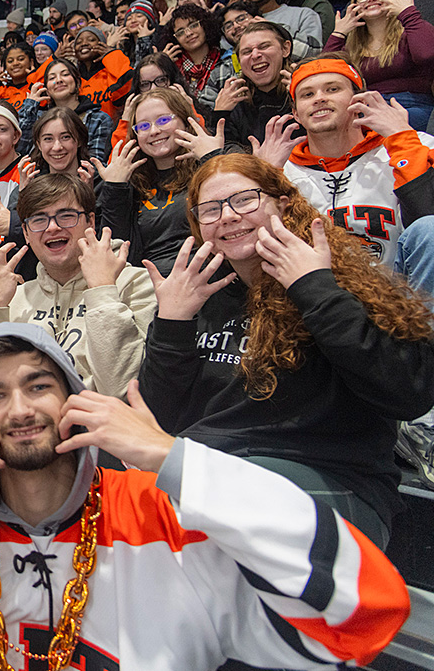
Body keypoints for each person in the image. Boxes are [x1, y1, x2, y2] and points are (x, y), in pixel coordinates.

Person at [0, 322, 410, 670]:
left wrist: (171, 458)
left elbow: (360, 607)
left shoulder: (165, 512)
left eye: (39, 385)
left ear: (77, 401)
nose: (22, 410)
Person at [142, 151, 434, 548]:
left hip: (326, 480)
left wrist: (314, 287)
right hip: (208, 474)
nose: (227, 216)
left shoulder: (337, 281)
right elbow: (157, 418)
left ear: (282, 203)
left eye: (244, 200)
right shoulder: (196, 296)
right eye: (209, 210)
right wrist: (172, 325)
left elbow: (407, 392)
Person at [0, 173, 155, 398]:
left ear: (91, 223)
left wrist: (102, 290)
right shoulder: (14, 299)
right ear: (26, 233)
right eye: (39, 219)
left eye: (66, 216)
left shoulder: (136, 284)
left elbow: (120, 390)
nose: (53, 227)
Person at [263, 56, 434, 266]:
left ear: (359, 99)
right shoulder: (281, 169)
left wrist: (403, 142)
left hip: (406, 291)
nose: (319, 98)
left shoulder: (414, 145)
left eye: (332, 89)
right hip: (318, 292)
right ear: (296, 114)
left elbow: (427, 223)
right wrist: (263, 177)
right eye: (307, 94)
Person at [95, 88, 223, 274]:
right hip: (148, 285)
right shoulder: (130, 182)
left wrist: (212, 160)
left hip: (210, 274)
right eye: (143, 126)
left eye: (163, 120)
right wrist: (115, 188)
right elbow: (115, 249)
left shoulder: (211, 163)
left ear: (185, 120)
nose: (154, 131)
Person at [325, 0, 434, 130]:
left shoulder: (412, 30)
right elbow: (323, 74)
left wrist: (408, 14)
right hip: (366, 109)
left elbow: (426, 55)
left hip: (411, 107)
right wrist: (338, 34)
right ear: (354, 6)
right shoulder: (351, 46)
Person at [212, 22, 293, 148]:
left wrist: (302, 98)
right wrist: (221, 114)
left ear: (285, 49)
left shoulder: (307, 91)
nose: (255, 55)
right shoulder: (234, 104)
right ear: (239, 61)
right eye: (247, 51)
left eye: (264, 46)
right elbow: (223, 156)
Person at [20, 57, 115, 163]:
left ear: (77, 82)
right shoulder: (38, 118)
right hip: (43, 178)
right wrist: (29, 106)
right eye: (52, 78)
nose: (59, 80)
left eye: (65, 75)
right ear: (47, 89)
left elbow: (96, 163)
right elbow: (19, 149)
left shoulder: (98, 119)